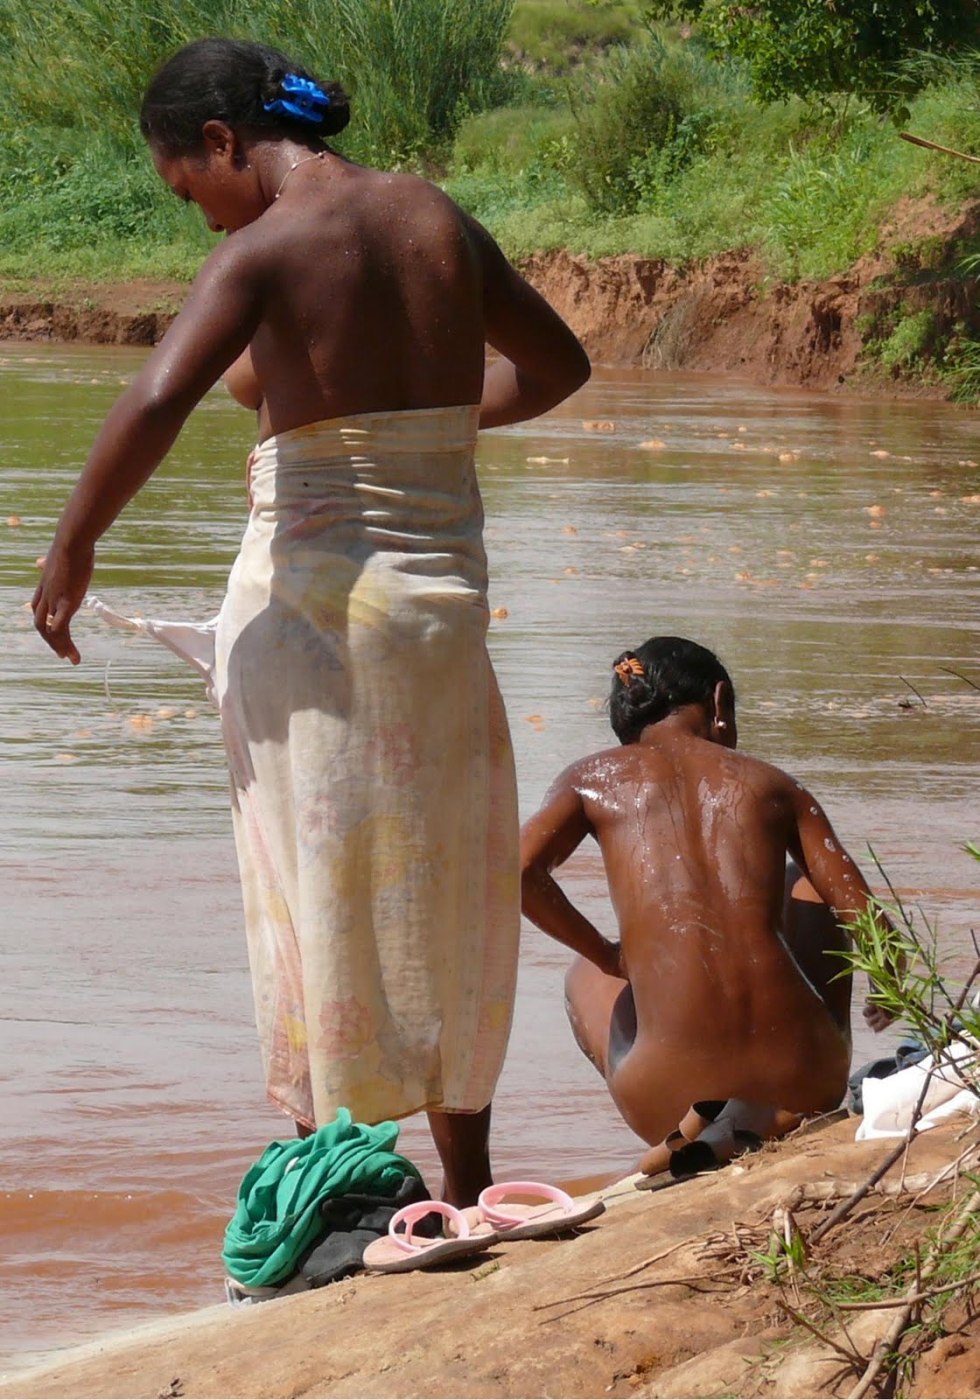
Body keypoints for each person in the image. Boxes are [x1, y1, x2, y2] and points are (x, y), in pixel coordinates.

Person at [32, 36, 591, 1206]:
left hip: (314, 616)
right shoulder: (435, 219)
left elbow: (156, 396)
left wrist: (73, 545)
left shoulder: (270, 246)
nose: (198, 218)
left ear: (225, 144)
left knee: (311, 887)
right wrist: (421, 427)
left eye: (190, 187)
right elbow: (556, 366)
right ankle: (469, 1182)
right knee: (446, 885)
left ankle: (335, 1187)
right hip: (442, 615)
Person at [519, 636, 892, 1177]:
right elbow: (871, 920)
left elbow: (520, 872)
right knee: (806, 884)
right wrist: (889, 989)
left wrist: (605, 954)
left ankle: (689, 1124)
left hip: (664, 1094)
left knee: (585, 973)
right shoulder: (772, 783)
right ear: (720, 703)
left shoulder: (590, 780)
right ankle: (775, 1109)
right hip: (807, 1080)